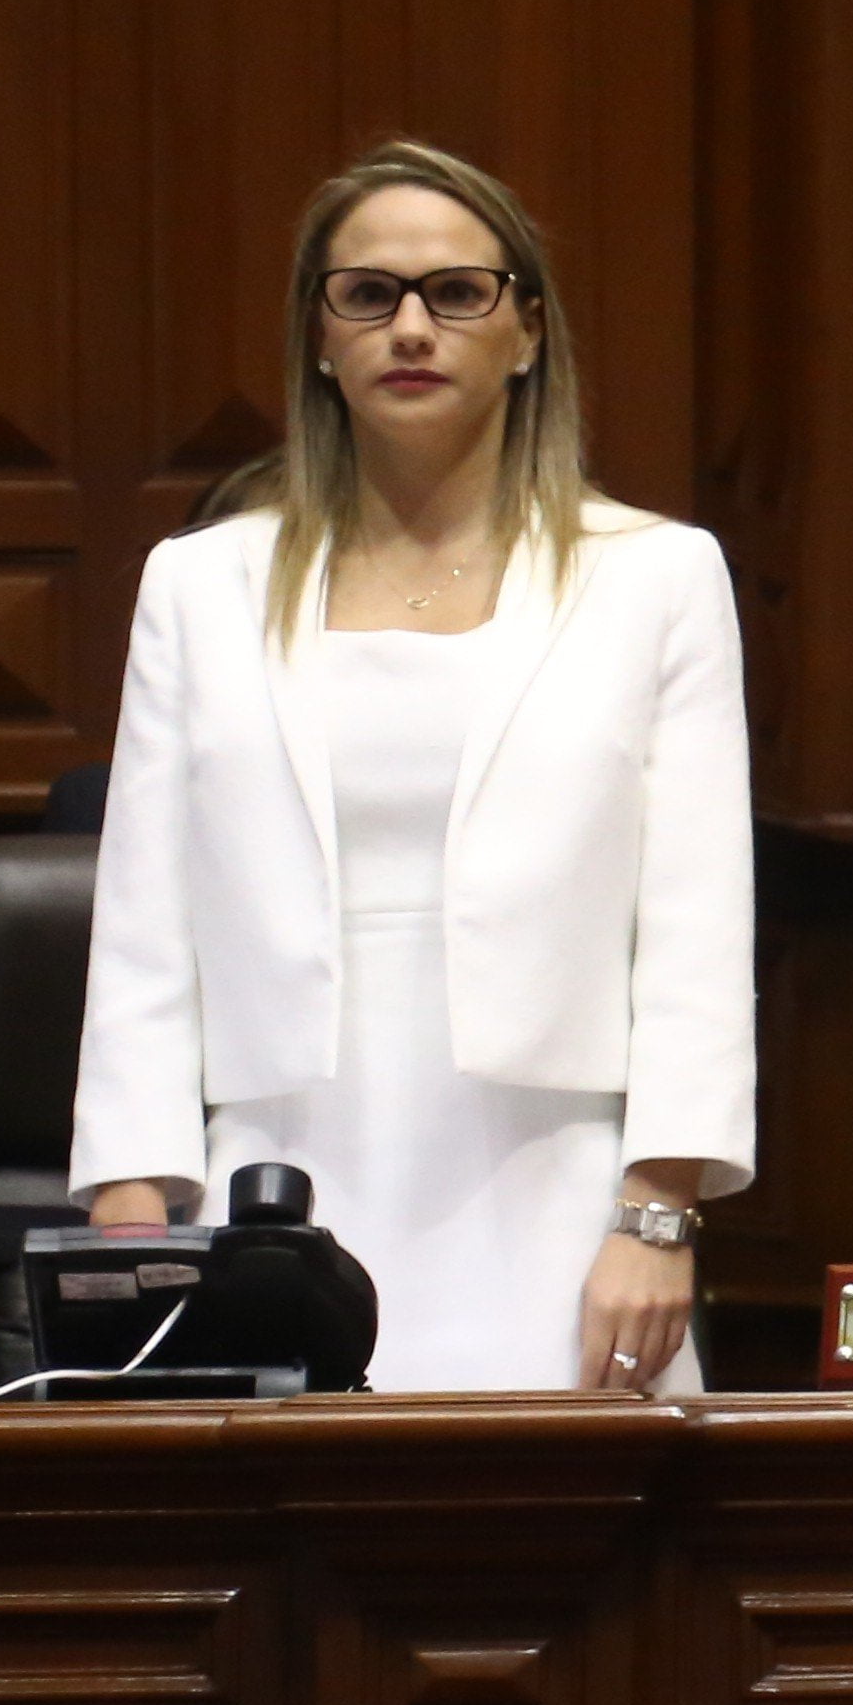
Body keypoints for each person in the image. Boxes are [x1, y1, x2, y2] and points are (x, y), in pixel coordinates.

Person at [67, 141, 755, 1392]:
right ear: (320, 340)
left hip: (554, 1194)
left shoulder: (655, 578)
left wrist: (657, 1215)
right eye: (367, 294)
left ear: (528, 331)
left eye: (458, 292)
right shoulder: (201, 586)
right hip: (279, 1184)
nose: (412, 327)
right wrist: (131, 1224)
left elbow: (699, 927)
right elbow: (145, 928)